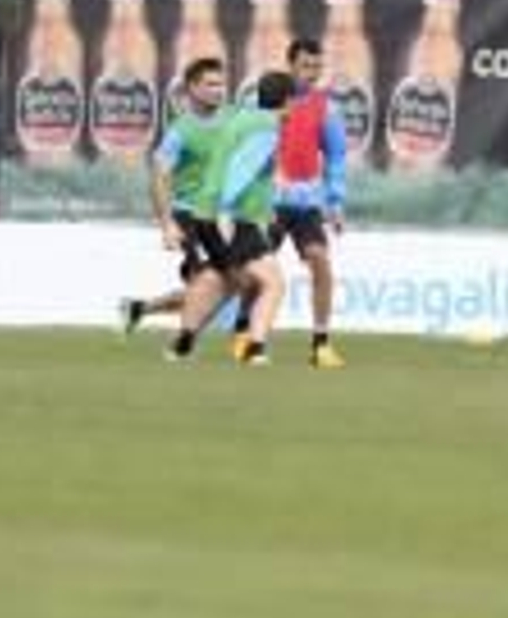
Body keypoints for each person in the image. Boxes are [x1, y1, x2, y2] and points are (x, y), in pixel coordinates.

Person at [234, 38, 349, 370]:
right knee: (255, 273)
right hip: (267, 202)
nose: (312, 73)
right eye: (305, 66)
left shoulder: (326, 108)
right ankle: (244, 331)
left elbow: (337, 157)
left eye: (317, 66)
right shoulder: (260, 103)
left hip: (307, 203)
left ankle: (321, 344)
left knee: (320, 260)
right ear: (290, 64)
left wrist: (336, 201)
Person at [167, 71, 295, 366]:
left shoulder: (243, 117)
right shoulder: (266, 127)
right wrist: (225, 214)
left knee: (225, 282)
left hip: (206, 211)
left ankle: (183, 343)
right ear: (288, 101)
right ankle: (255, 348)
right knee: (273, 283)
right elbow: (240, 171)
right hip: (233, 216)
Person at [122, 57, 231, 334]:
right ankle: (182, 344)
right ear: (193, 88)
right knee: (208, 285)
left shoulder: (232, 121)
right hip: (190, 215)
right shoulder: (180, 132)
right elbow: (159, 176)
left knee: (219, 286)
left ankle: (140, 309)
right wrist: (167, 224)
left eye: (221, 83)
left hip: (222, 216)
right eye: (210, 84)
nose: (218, 89)